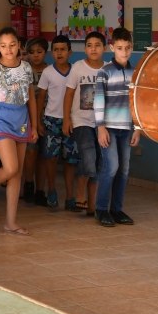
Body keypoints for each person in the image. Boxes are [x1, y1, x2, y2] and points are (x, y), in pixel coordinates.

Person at [0, 27, 37, 236]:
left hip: (21, 119)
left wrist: (35, 126)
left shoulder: (27, 68)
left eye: (12, 45)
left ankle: (10, 222)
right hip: (0, 118)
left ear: (19, 45)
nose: (8, 49)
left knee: (16, 173)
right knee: (10, 167)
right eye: (3, 46)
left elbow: (32, 99)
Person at [94, 27, 138, 227]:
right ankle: (101, 209)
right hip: (109, 128)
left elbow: (138, 103)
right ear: (112, 47)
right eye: (120, 48)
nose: (124, 52)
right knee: (111, 167)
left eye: (128, 48)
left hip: (127, 128)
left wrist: (138, 128)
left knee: (124, 169)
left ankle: (117, 209)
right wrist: (100, 127)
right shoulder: (105, 72)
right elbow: (99, 102)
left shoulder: (135, 73)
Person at [63, 31, 106, 215]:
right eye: (89, 45)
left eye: (97, 45)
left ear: (105, 48)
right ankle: (80, 193)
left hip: (102, 123)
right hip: (81, 120)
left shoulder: (109, 68)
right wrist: (66, 119)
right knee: (88, 155)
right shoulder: (78, 67)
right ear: (85, 48)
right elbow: (69, 94)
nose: (93, 48)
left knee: (99, 161)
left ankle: (92, 205)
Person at [36, 35, 79, 211]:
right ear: (51, 53)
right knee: (51, 159)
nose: (59, 53)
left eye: (63, 49)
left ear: (70, 52)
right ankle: (52, 191)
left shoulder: (76, 70)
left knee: (70, 161)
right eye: (56, 50)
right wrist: (38, 122)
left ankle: (70, 197)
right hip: (51, 121)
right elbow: (41, 98)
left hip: (71, 121)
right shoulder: (47, 72)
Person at [22, 37, 49, 205]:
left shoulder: (50, 70)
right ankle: (28, 184)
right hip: (27, 118)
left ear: (46, 53)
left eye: (39, 52)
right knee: (31, 151)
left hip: (48, 117)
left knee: (44, 155)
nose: (36, 56)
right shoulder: (24, 70)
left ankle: (41, 190)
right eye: (31, 52)